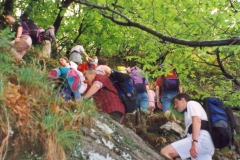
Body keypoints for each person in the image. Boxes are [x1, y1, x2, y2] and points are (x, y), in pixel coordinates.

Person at [160, 93, 214, 160]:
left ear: (183, 100)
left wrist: (194, 142)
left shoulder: (191, 103)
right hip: (207, 144)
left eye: (176, 102)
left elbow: (197, 120)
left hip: (200, 139)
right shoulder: (187, 112)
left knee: (165, 152)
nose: (175, 106)